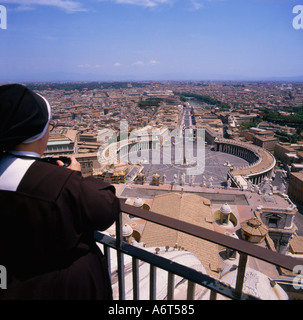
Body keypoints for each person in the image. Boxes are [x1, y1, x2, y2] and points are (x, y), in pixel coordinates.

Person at [0, 84, 120, 299]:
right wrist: (74, 177)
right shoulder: (58, 183)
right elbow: (105, 209)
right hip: (62, 285)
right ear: (39, 132)